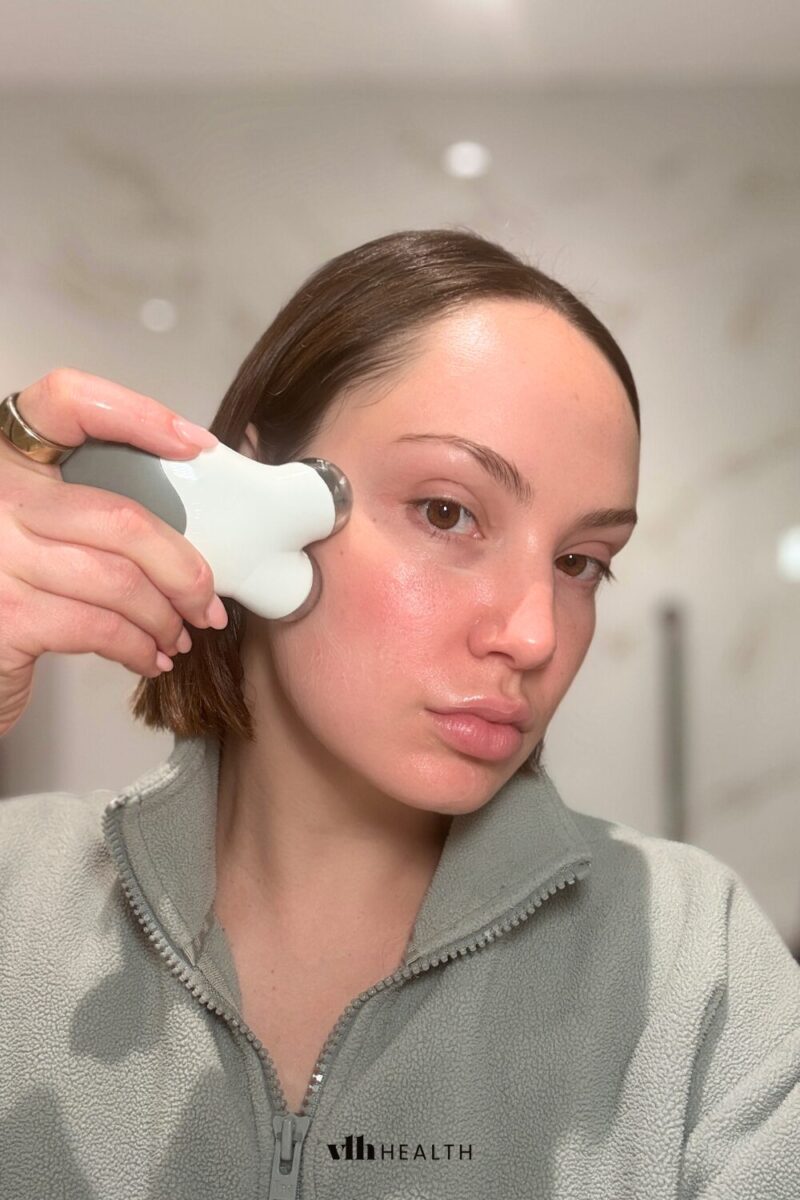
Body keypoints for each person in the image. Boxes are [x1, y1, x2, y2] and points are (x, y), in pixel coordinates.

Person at [0, 229, 797, 1200]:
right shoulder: (15, 903)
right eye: (446, 513)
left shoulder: (689, 960)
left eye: (579, 562)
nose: (534, 634)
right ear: (244, 488)